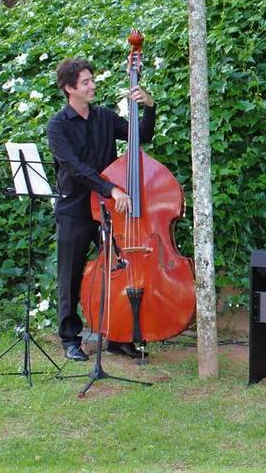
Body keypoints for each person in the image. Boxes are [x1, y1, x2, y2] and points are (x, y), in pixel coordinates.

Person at [47, 57, 155, 361]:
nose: (92, 85)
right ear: (69, 88)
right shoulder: (57, 126)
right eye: (85, 82)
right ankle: (70, 339)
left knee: (121, 270)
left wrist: (148, 106)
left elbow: (141, 137)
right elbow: (76, 168)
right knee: (70, 275)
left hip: (110, 210)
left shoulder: (105, 117)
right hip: (76, 209)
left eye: (92, 79)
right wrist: (110, 188)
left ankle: (119, 336)